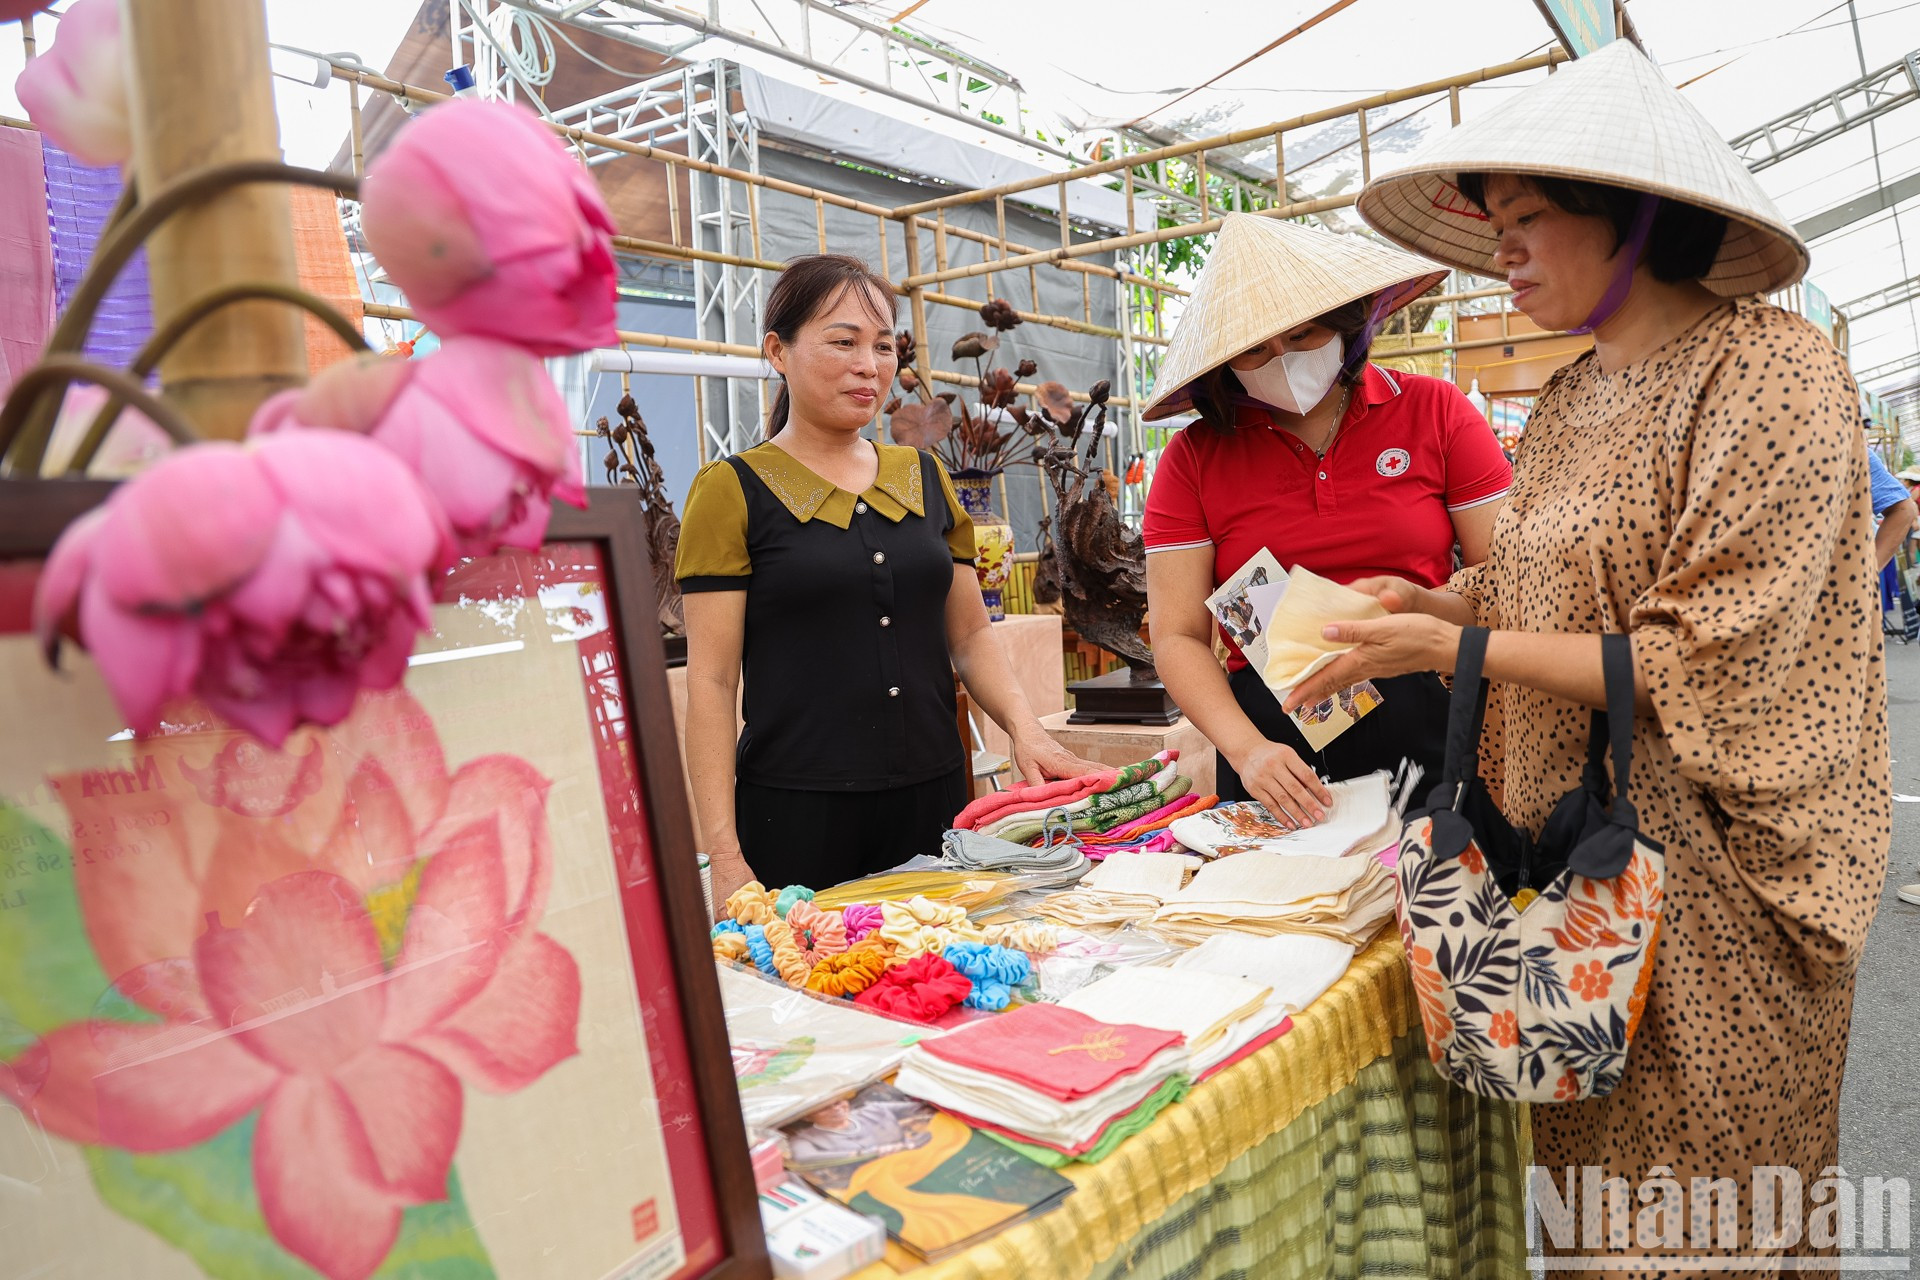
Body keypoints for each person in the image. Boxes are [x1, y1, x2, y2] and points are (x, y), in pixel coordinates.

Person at [1322, 40, 1887, 1275]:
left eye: (1529, 219)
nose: (1502, 249)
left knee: (1708, 1224)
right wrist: (1426, 598)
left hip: (1715, 890)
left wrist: (1457, 638)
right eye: (1494, 221)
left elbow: (1711, 651)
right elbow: (1541, 579)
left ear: (1635, 220)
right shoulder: (1574, 399)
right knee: (1594, 1213)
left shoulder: (1775, 371)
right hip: (1574, 878)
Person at [675, 254, 1097, 907]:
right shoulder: (732, 491)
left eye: (881, 346)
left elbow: (970, 637)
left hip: (934, 801)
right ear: (777, 351)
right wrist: (725, 854)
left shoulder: (923, 478)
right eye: (843, 342)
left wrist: (1024, 727)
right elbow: (710, 682)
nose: (868, 365)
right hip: (795, 817)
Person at [1140, 214, 1511, 828]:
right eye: (1255, 351)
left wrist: (1422, 611)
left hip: (1434, 706)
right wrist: (1246, 749)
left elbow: (1503, 579)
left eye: (1305, 335)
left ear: (1349, 326)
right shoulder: (1195, 456)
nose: (1281, 361)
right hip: (1273, 743)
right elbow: (1177, 635)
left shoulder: (1436, 412)